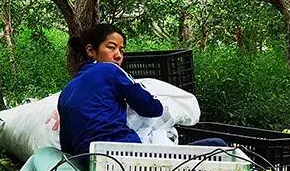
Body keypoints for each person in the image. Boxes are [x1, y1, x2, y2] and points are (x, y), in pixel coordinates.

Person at [58, 24, 226, 159]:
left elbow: (66, 145)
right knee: (218, 146)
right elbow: (151, 108)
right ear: (91, 50)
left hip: (88, 159)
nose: (118, 55)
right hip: (124, 153)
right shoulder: (109, 70)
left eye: (121, 50)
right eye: (111, 47)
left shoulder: (66, 92)